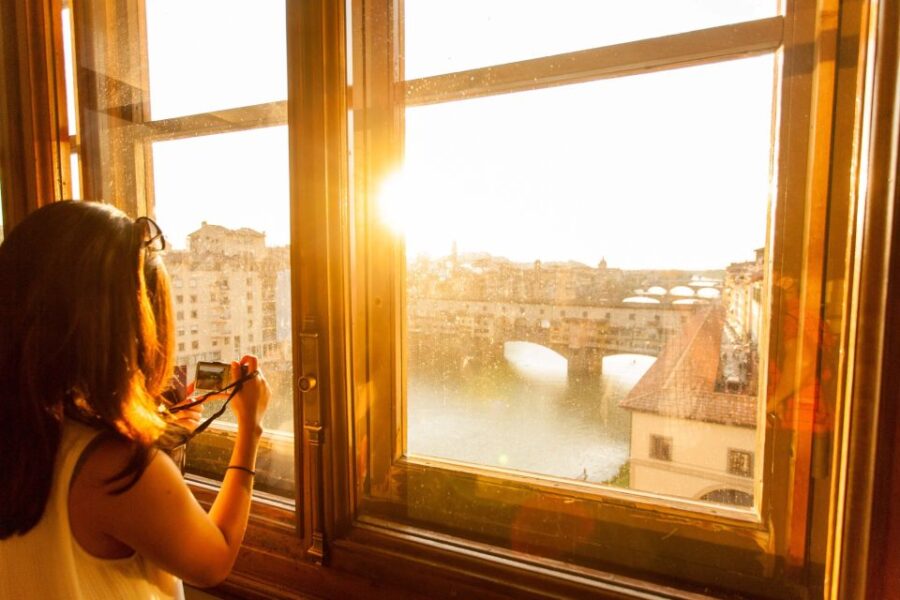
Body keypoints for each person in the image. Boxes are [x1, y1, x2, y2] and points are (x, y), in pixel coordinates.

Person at [0, 201, 271, 598]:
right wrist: (251, 428)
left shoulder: (23, 434)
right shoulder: (115, 469)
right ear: (123, 331)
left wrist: (158, 440)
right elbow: (214, 561)